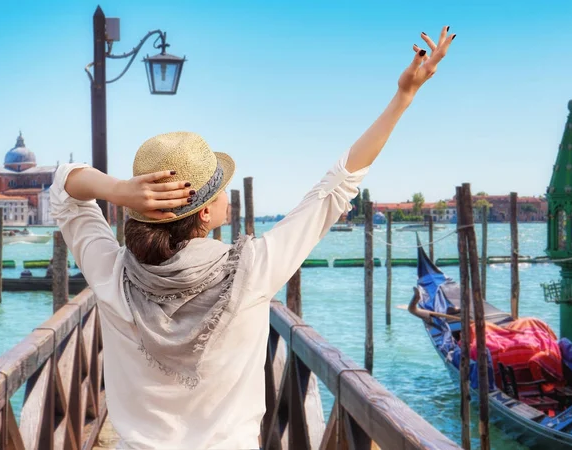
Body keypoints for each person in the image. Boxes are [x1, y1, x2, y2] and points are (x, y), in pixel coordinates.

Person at [50, 27, 454, 450]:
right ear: (205, 212)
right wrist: (404, 97)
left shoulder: (110, 273)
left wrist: (118, 190)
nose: (227, 192)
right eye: (219, 185)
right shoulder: (253, 269)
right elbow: (337, 185)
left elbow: (64, 187)